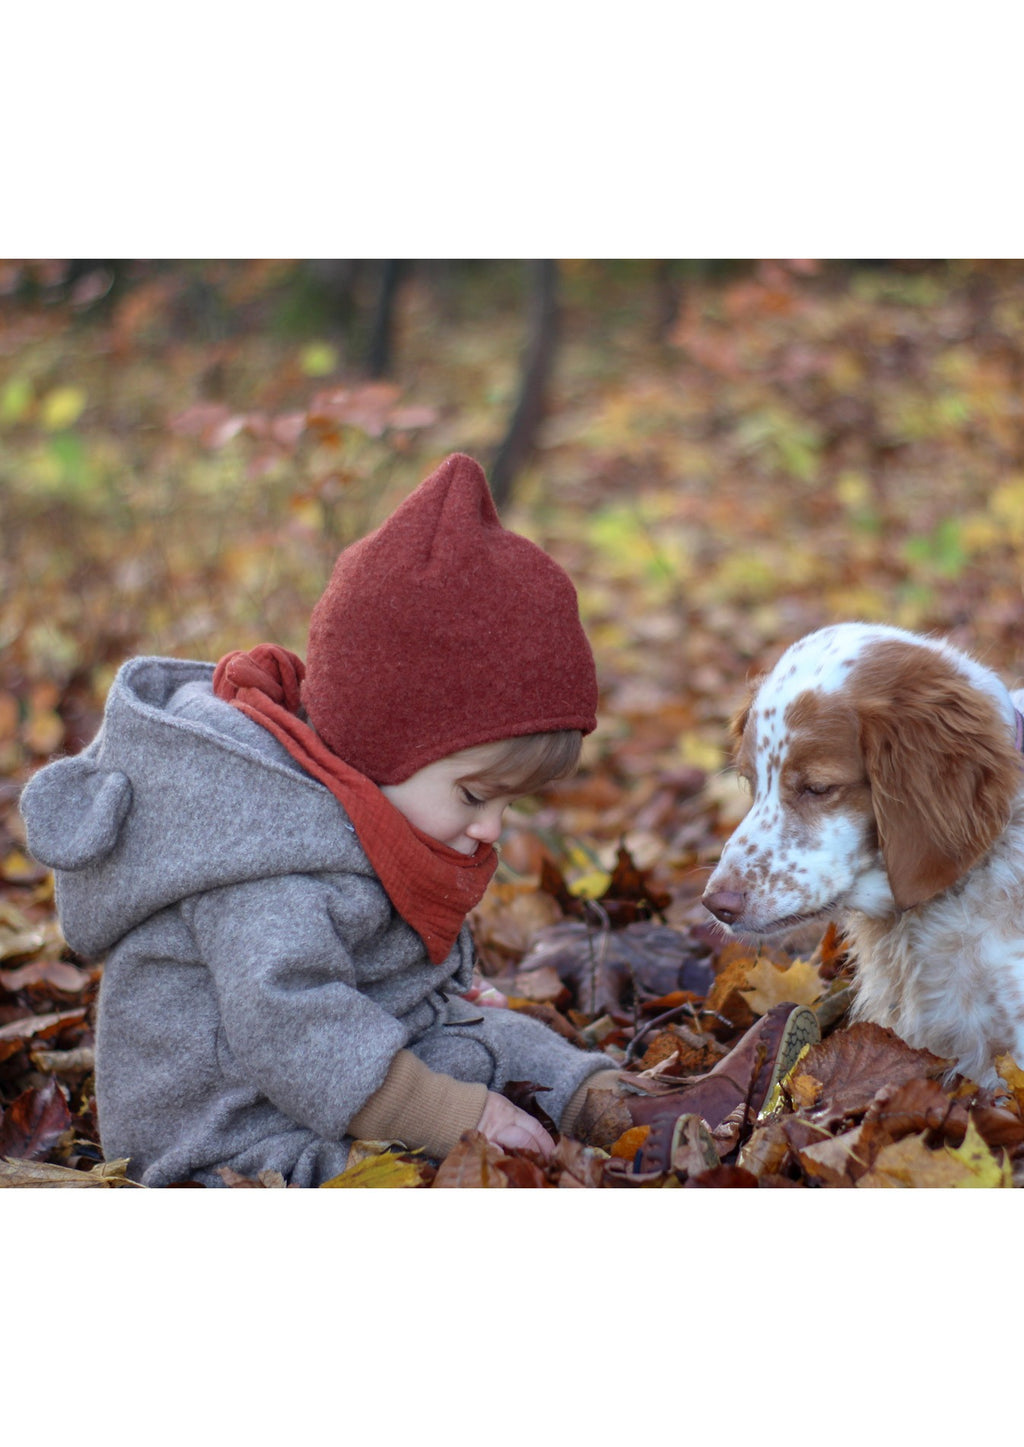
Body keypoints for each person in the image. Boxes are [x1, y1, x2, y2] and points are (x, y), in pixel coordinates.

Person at [20, 452, 620, 1186]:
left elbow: (374, 933)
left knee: (507, 1043)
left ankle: (621, 1109)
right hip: (231, 1128)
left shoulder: (369, 803)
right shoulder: (257, 849)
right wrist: (464, 1116)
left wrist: (444, 987)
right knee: (402, 1167)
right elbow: (291, 1022)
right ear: (382, 743)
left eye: (508, 803)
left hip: (354, 1062)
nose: (491, 828)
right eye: (475, 795)